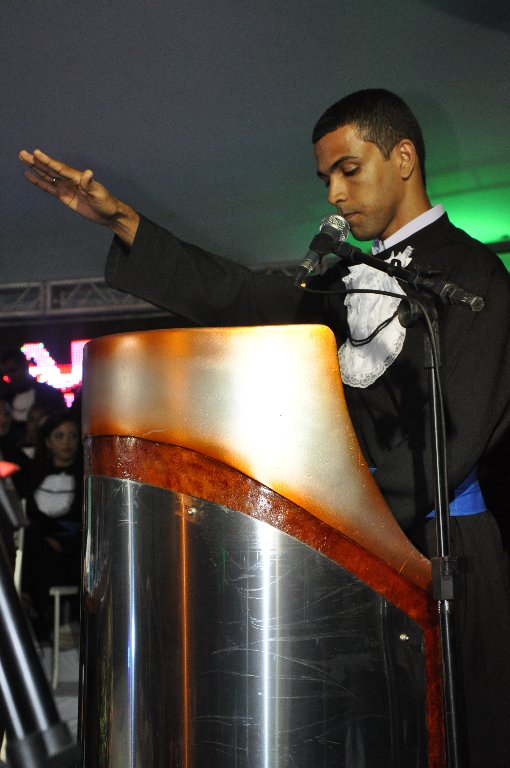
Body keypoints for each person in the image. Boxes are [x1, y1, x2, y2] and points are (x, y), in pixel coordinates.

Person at [19, 88, 510, 767]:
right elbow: (239, 294)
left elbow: (454, 438)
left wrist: (335, 525)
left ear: (403, 158)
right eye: (326, 178)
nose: (335, 193)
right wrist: (124, 220)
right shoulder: (349, 279)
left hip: (445, 550)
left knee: (465, 736)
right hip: (363, 547)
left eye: (349, 169)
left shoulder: (475, 275)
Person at [21, 411, 82, 642]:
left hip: (70, 557)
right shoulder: (33, 477)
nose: (67, 442)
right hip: (37, 553)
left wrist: (63, 543)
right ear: (47, 441)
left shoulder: (85, 479)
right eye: (59, 436)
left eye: (72, 436)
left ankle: (36, 611)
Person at [0, 348, 66, 446]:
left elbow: (62, 423)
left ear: (25, 366)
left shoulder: (50, 395)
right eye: (7, 373)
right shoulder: (5, 399)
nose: (11, 376)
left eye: (13, 370)